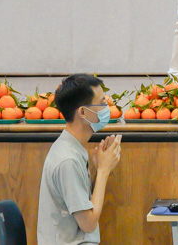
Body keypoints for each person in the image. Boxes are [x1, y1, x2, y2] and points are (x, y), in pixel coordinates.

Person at [37, 73, 122, 245]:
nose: (107, 109)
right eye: (102, 104)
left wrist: (99, 167)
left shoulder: (73, 148)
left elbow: (84, 205)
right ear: (83, 112)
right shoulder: (67, 160)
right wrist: (103, 171)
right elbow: (88, 224)